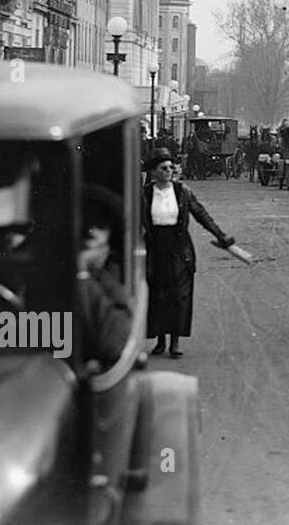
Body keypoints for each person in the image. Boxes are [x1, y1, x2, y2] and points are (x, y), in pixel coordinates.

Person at [142, 147, 237, 358]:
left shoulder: (182, 192)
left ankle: (175, 341)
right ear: (154, 172)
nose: (169, 171)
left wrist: (222, 236)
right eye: (163, 168)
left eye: (171, 167)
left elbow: (201, 215)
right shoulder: (145, 194)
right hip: (155, 248)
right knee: (158, 293)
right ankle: (160, 340)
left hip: (179, 249)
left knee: (179, 295)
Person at [78, 185, 133, 370]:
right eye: (83, 223)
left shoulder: (110, 286)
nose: (90, 231)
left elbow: (112, 345)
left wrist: (81, 275)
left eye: (99, 225)